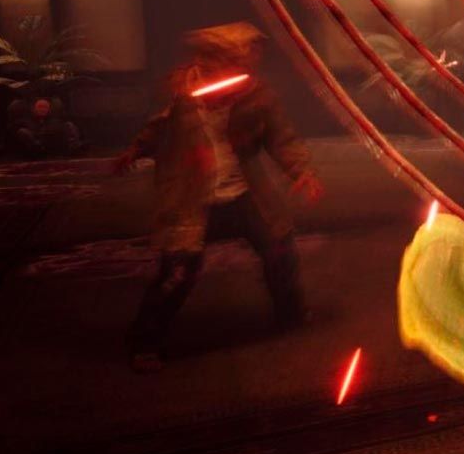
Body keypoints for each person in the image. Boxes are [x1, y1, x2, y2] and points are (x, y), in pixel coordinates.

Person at [114, 23, 322, 372]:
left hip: (242, 193)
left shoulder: (253, 93)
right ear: (209, 61)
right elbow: (156, 128)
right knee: (177, 273)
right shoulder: (180, 93)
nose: (240, 70)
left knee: (279, 249)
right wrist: (136, 149)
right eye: (230, 62)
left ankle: (291, 314)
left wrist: (302, 171)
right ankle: (145, 342)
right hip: (191, 199)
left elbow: (281, 137)